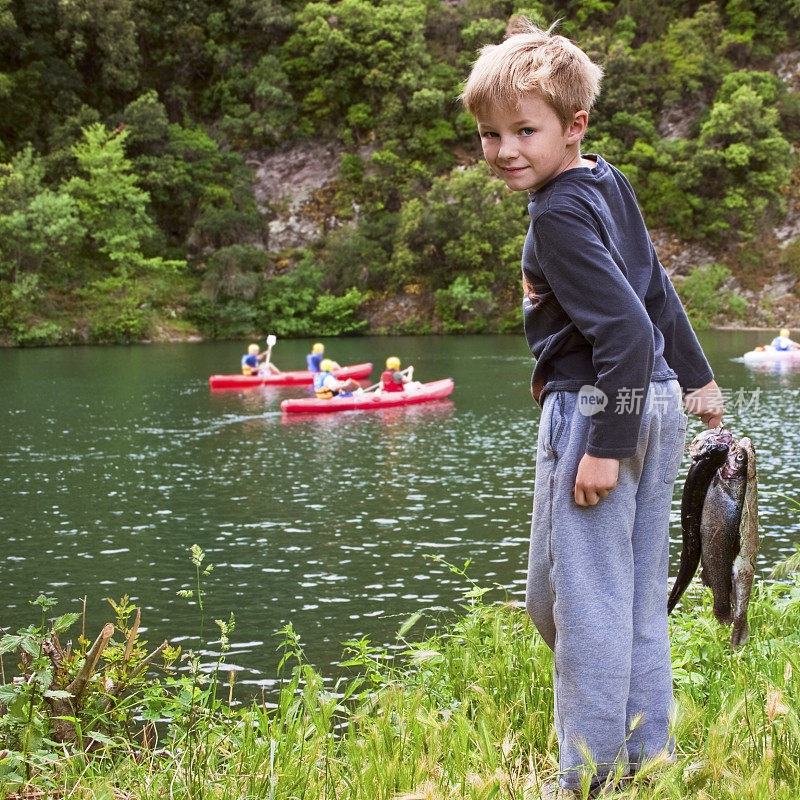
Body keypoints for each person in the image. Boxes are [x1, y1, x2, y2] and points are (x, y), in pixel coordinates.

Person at [461, 19, 723, 797]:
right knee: (631, 593)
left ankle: (588, 778)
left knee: (579, 605)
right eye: (489, 134)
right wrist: (698, 377)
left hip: (600, 406)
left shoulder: (557, 213)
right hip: (657, 401)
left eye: (524, 130)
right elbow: (656, 288)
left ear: (574, 127)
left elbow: (628, 327)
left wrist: (603, 444)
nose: (505, 150)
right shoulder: (606, 181)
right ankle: (650, 756)